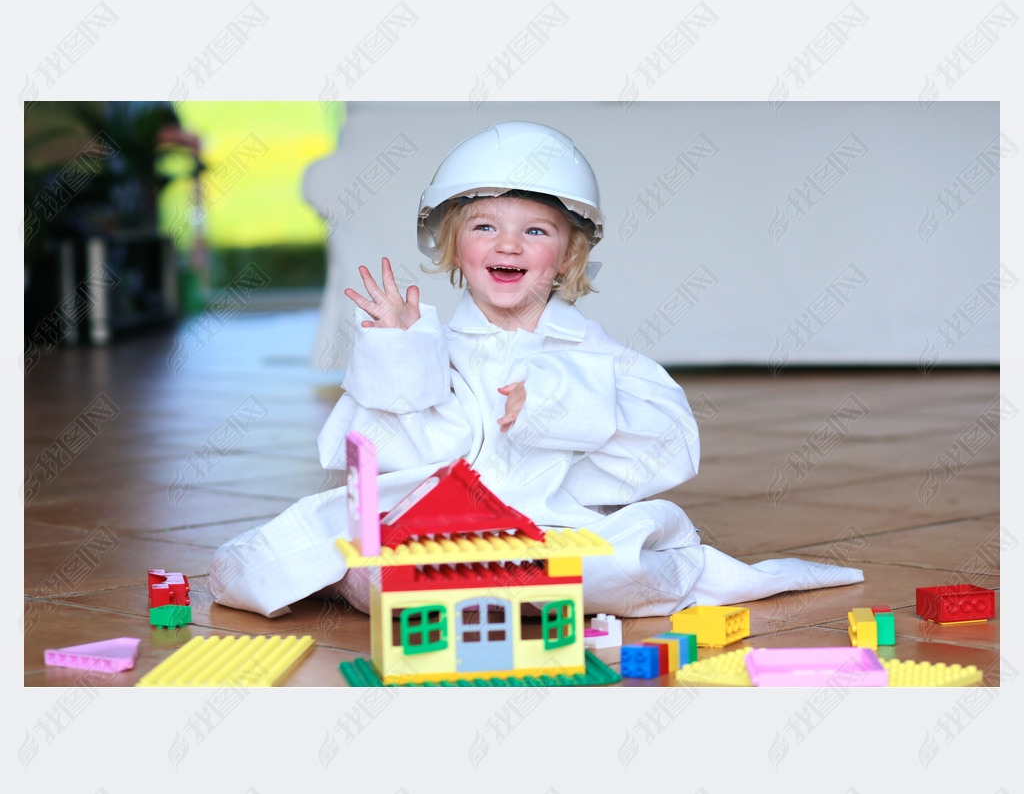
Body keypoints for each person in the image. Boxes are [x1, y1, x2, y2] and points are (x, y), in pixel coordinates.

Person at [208, 122, 863, 619]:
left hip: (551, 526)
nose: (509, 245)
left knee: (615, 564)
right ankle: (467, 587)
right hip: (439, 525)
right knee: (343, 555)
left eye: (536, 231)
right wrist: (399, 354)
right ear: (454, 249)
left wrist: (554, 397)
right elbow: (390, 453)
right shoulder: (434, 343)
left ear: (568, 254)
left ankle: (501, 589)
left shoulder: (593, 352)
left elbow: (668, 443)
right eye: (485, 226)